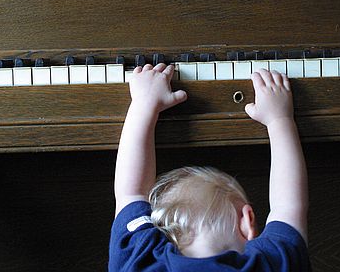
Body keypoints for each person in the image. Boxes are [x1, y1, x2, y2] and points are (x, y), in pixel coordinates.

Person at [110, 63, 310, 271]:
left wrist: (143, 103)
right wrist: (280, 118)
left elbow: (130, 193)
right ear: (247, 221)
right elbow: (288, 207)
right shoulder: (271, 264)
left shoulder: (140, 259)